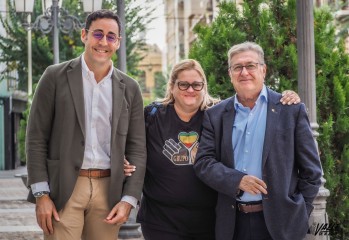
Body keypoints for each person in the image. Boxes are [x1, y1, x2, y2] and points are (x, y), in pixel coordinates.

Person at [123, 59, 300, 240]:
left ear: (204, 87)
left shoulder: (219, 115)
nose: (190, 90)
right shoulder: (152, 116)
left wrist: (284, 97)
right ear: (172, 86)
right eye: (183, 84)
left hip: (209, 220)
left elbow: (253, 118)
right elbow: (131, 147)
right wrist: (123, 160)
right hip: (160, 220)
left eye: (196, 85)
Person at [25, 9, 146, 240]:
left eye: (111, 37)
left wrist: (129, 199)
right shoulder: (54, 76)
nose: (103, 42)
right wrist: (41, 194)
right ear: (84, 35)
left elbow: (138, 147)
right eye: (98, 34)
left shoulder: (130, 88)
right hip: (64, 189)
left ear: (118, 43)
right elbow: (36, 138)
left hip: (109, 191)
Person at [193, 42, 322, 240]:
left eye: (250, 65)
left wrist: (300, 211)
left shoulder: (290, 110)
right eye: (237, 67)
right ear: (230, 74)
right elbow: (204, 163)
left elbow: (312, 171)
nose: (244, 72)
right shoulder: (216, 115)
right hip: (233, 224)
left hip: (281, 225)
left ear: (263, 70)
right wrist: (237, 180)